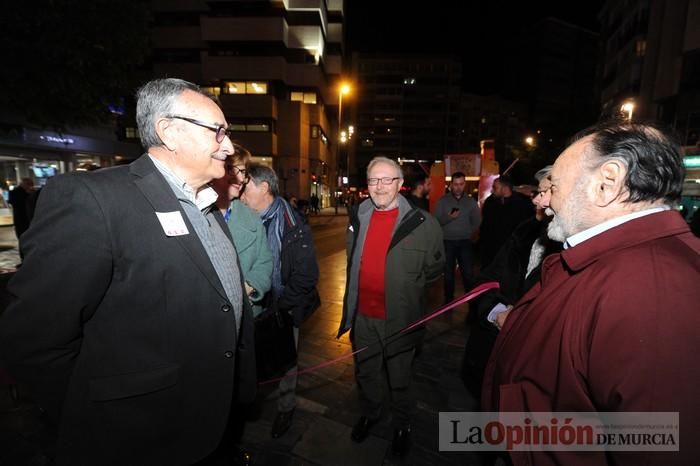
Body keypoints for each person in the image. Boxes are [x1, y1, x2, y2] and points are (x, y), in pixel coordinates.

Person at [0, 78, 256, 465]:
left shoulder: (207, 204)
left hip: (207, 422)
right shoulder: (92, 200)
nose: (229, 145)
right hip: (133, 438)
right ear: (169, 131)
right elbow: (34, 338)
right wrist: (95, 413)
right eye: (217, 131)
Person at [482, 122, 700, 466]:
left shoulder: (655, 294)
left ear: (607, 183)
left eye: (555, 183)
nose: (547, 197)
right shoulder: (613, 261)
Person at [338, 156, 445, 457]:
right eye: (373, 180)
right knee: (367, 373)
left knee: (400, 380)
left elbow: (434, 272)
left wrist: (406, 293)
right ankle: (372, 414)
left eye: (387, 180)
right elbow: (352, 262)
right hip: (363, 319)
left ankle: (402, 425)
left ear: (399, 184)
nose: (379, 186)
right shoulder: (358, 216)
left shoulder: (424, 224)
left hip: (401, 321)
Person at [461, 166, 561, 399]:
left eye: (547, 191)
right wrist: (496, 311)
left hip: (531, 374)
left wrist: (520, 317)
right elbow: (485, 282)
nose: (537, 199)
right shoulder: (524, 233)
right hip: (491, 355)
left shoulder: (574, 251)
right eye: (538, 192)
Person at [240, 164, 320, 439]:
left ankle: (286, 408)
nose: (240, 191)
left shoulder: (292, 223)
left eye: (246, 185)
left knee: (284, 361)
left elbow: (307, 276)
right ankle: (251, 401)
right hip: (252, 304)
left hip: (281, 306)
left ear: (264, 188)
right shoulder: (243, 217)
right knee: (252, 360)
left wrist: (283, 309)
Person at [435, 171, 481, 303]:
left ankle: (471, 300)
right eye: (455, 184)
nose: (458, 187)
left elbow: (477, 220)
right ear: (451, 185)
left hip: (465, 242)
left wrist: (468, 232)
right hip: (448, 241)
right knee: (448, 274)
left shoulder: (471, 201)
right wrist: (449, 217)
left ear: (465, 184)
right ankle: (448, 300)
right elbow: (436, 221)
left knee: (468, 273)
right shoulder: (443, 201)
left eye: (461, 184)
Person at [478, 175, 533, 269]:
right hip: (491, 253)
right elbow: (485, 226)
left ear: (505, 189)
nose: (492, 190)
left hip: (512, 253)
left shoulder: (522, 204)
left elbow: (526, 228)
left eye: (495, 188)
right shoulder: (490, 202)